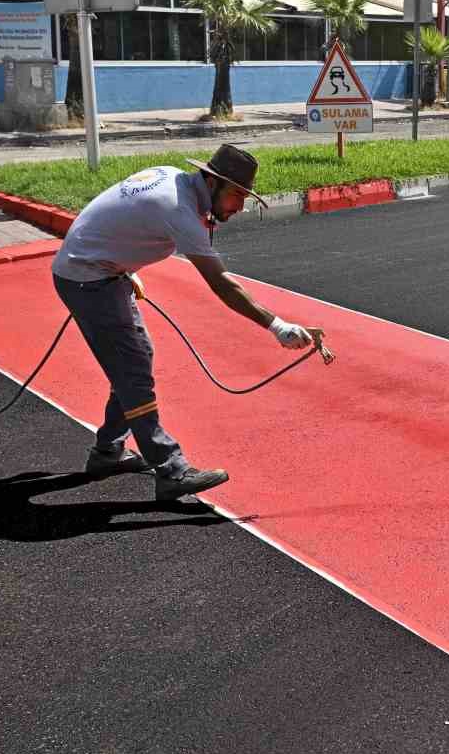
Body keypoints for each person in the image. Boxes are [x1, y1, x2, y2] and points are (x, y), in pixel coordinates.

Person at [51, 145, 317, 501]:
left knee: (137, 359)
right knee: (132, 371)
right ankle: (171, 470)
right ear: (212, 182)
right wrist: (277, 326)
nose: (239, 207)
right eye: (237, 195)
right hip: (88, 278)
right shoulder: (178, 209)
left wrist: (120, 266)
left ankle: (107, 453)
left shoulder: (173, 179)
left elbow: (116, 217)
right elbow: (222, 283)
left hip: (99, 270)